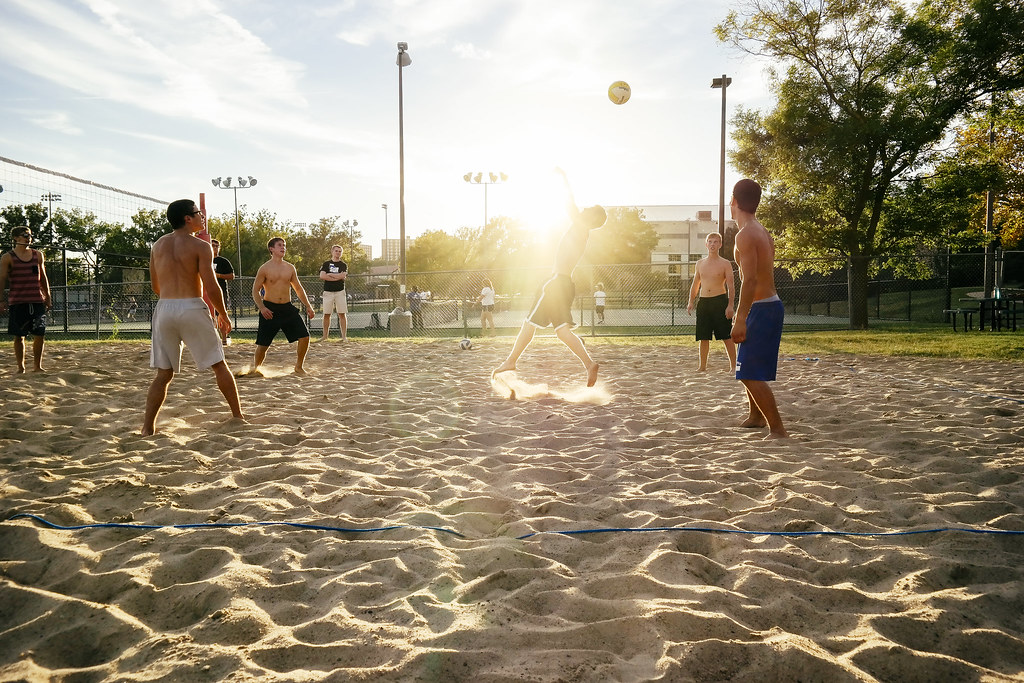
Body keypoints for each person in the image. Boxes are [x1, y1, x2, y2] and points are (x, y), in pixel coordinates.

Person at [492, 168, 605, 387]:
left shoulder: (581, 225)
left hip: (555, 284)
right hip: (564, 284)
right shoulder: (582, 230)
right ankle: (589, 364)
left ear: (590, 217)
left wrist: (562, 177)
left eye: (588, 209)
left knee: (529, 322)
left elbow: (569, 203)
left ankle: (511, 361)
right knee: (562, 331)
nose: (584, 208)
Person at [141, 200, 244, 435]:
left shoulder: (157, 245)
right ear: (188, 218)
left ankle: (147, 428)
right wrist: (223, 314)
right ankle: (238, 415)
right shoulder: (201, 245)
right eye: (199, 213)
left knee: (163, 374)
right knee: (219, 364)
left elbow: (156, 286)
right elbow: (211, 285)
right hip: (191, 307)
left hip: (165, 308)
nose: (202, 216)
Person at [730, 179, 788, 439]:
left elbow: (750, 279)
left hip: (762, 308)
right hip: (765, 306)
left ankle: (778, 429)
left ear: (733, 201)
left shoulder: (746, 234)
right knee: (746, 370)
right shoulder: (759, 230)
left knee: (750, 372)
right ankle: (756, 417)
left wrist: (740, 318)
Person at [252, 237, 316, 375]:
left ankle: (298, 367)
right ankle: (256, 369)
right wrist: (262, 308)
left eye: (284, 245)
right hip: (270, 309)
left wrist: (308, 306)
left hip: (287, 308)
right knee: (263, 345)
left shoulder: (290, 267)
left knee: (304, 337)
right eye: (280, 245)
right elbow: (255, 290)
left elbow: (299, 289)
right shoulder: (264, 268)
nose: (283, 248)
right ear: (271, 249)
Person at [0, 227, 51, 373]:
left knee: (40, 334)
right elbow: (2, 279)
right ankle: (21, 367)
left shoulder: (38, 255)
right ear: (16, 238)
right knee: (19, 336)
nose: (28, 238)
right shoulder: (7, 257)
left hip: (36, 301)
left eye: (30, 235)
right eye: (25, 235)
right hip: (18, 302)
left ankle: (37, 366)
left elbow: (43, 277)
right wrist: (1, 300)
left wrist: (47, 296)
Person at [687, 232, 737, 372]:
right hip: (704, 303)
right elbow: (695, 283)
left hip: (720, 301)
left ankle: (733, 366)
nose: (712, 244)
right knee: (703, 337)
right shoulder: (700, 263)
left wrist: (730, 306)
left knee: (726, 336)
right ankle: (702, 366)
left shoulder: (725, 263)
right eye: (710, 241)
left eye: (715, 242)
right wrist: (691, 301)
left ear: (720, 244)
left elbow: (731, 286)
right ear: (706, 244)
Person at [319, 244, 347, 342]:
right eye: (336, 251)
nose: (338, 253)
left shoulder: (343, 265)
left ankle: (344, 337)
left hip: (340, 292)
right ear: (332, 251)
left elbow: (342, 276)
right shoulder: (326, 264)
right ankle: (325, 336)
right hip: (328, 292)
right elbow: (322, 276)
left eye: (340, 251)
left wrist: (330, 275)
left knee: (342, 314)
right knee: (327, 314)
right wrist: (337, 276)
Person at [211, 239, 235, 345]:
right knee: (208, 315)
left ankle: (224, 339)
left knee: (222, 314)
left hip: (221, 291)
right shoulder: (204, 259)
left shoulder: (223, 261)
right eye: (213, 245)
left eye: (217, 246)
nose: (215, 247)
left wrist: (219, 275)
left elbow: (232, 276)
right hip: (206, 292)